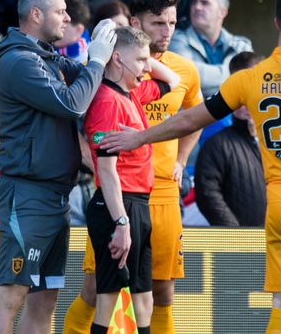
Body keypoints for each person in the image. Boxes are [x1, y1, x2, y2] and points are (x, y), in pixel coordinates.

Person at [100, 0, 281, 333]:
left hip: (280, 204)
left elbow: (193, 118)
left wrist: (140, 137)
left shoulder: (250, 79)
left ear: (277, 22)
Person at [63, 0, 203, 334]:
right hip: (118, 193)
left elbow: (197, 116)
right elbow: (73, 118)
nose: (167, 31)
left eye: (172, 23)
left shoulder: (184, 70)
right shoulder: (106, 72)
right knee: (96, 289)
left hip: (163, 193)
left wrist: (182, 159)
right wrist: (92, 159)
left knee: (161, 290)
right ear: (136, 23)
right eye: (158, 23)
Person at [0, 0, 116, 334]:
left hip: (54, 195)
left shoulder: (47, 58)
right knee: (11, 294)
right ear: (36, 14)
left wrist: (111, 49)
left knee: (46, 299)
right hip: (27, 194)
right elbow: (73, 103)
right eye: (60, 11)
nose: (68, 17)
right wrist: (96, 59)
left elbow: (95, 82)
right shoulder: (19, 62)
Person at [83, 26, 181, 334]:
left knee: (143, 294)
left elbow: (173, 80)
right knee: (108, 296)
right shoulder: (108, 102)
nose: (146, 67)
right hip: (119, 203)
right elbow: (107, 169)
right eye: (140, 61)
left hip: (137, 202)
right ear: (116, 59)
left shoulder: (131, 92)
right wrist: (121, 223)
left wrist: (142, 58)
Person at [194, 51, 266, 227]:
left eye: (255, 87)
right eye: (240, 90)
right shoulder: (217, 145)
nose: (247, 98)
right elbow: (208, 194)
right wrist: (236, 234)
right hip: (240, 247)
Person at [169, 0, 253, 98]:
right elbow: (186, 76)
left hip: (232, 115)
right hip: (193, 114)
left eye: (205, 3)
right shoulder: (176, 39)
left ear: (222, 12)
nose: (197, 7)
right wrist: (234, 74)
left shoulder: (241, 45)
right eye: (194, 2)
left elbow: (248, 83)